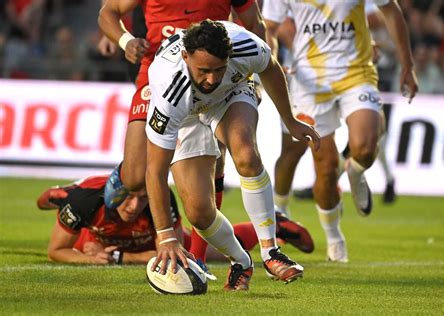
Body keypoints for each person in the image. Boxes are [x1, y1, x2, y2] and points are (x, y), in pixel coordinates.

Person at [145, 20, 319, 291]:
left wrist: (290, 119)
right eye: (204, 70)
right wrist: (166, 237)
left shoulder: (246, 46)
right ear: (185, 56)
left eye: (219, 69)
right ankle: (241, 261)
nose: (212, 79)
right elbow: (155, 171)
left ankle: (271, 252)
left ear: (229, 56)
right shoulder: (169, 91)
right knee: (199, 213)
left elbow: (271, 69)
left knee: (246, 153)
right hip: (188, 114)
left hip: (231, 94)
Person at [98, 0, 266, 264]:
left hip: (214, 77)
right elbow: (108, 12)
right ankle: (122, 177)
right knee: (136, 176)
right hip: (160, 76)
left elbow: (255, 25)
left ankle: (199, 257)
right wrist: (125, 41)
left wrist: (253, 78)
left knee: (215, 167)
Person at [263, 0, 418, 262]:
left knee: (366, 146)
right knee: (324, 164)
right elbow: (271, 27)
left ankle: (355, 171)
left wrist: (407, 65)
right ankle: (333, 237)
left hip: (356, 74)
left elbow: (390, 10)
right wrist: (275, 62)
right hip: (309, 81)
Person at [36, 175, 314, 264]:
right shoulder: (84, 202)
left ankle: (273, 225)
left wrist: (119, 257)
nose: (134, 206)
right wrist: (90, 257)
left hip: (137, 240)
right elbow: (55, 250)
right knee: (54, 202)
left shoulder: (159, 200)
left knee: (211, 252)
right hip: (98, 236)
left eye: (142, 199)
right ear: (113, 194)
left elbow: (171, 253)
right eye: (129, 198)